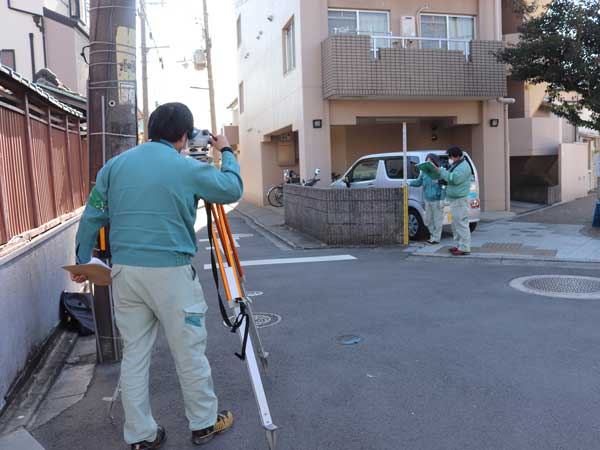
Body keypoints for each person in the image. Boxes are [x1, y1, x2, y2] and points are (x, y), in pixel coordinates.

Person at [71, 102, 243, 450]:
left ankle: (141, 435)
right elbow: (231, 189)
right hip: (171, 273)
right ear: (183, 136)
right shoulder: (186, 167)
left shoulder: (114, 167)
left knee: (135, 354)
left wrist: (82, 260)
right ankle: (203, 423)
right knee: (188, 351)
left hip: (125, 273)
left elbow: (93, 216)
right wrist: (225, 149)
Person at [436, 146, 472, 256]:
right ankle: (458, 245)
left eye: (451, 156)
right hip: (455, 199)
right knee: (456, 224)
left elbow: (454, 179)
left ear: (456, 155)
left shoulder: (463, 166)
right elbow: (451, 178)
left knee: (461, 224)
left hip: (460, 199)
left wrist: (441, 172)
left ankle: (464, 247)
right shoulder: (457, 164)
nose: (450, 159)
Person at [409, 153, 444, 244]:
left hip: (437, 199)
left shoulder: (440, 171)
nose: (429, 162)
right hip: (427, 199)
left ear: (435, 161)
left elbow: (444, 186)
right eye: (427, 161)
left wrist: (442, 199)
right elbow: (418, 182)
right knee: (428, 220)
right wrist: (409, 183)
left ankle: (436, 238)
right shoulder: (424, 173)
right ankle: (432, 236)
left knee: (437, 220)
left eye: (431, 161)